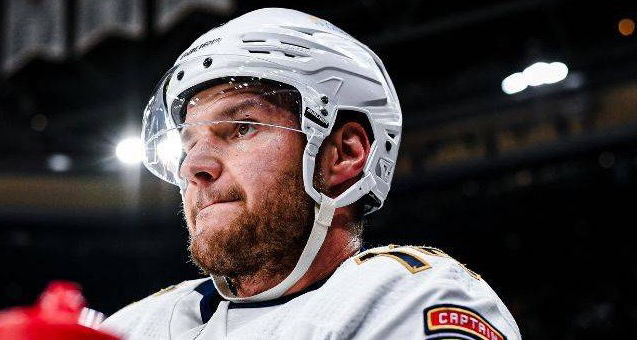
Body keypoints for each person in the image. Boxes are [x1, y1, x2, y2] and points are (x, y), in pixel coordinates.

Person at [99, 8, 521, 340]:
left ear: (344, 155)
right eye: (190, 142)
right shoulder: (137, 325)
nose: (194, 166)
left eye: (242, 128)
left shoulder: (408, 296)